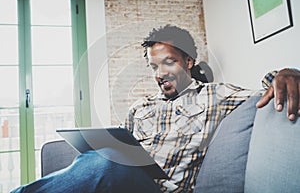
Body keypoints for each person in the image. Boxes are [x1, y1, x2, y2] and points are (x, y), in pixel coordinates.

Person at [11, 25, 300, 193]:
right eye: (153, 66)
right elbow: (124, 149)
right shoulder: (141, 107)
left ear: (188, 62)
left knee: (107, 161)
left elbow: (262, 91)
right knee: (99, 157)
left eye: (168, 62)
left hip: (157, 190)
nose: (159, 73)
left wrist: (287, 72)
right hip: (119, 181)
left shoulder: (215, 95)